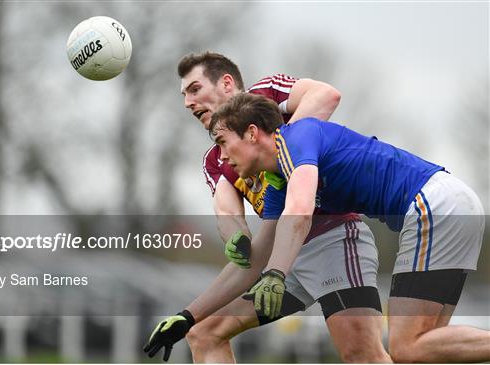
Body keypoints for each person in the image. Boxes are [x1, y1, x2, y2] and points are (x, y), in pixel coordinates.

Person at [143, 52, 391, 363]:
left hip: (333, 241)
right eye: (184, 95)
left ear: (227, 83)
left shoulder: (267, 94)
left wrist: (282, 159)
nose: (188, 103)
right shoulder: (216, 158)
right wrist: (236, 236)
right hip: (283, 261)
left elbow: (327, 95)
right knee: (204, 333)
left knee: (363, 356)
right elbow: (227, 212)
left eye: (194, 89)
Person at [206, 92, 489, 363]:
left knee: (407, 346)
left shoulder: (293, 140)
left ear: (253, 133)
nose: (221, 156)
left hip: (434, 204)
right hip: (451, 202)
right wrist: (189, 316)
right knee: (421, 347)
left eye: (222, 142)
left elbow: (300, 214)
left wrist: (276, 274)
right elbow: (266, 247)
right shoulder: (279, 182)